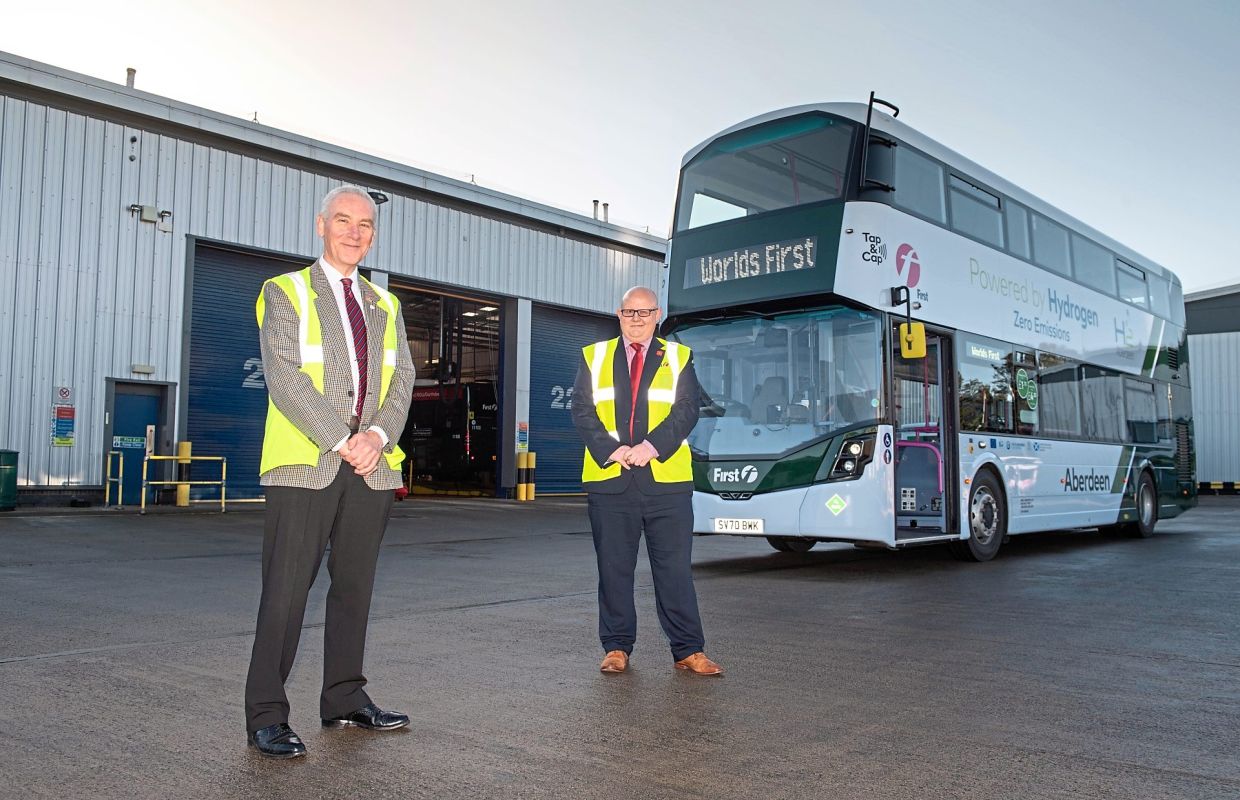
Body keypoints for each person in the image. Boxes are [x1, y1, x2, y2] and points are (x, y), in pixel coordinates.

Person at [244, 185, 416, 758]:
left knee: (354, 589)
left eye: (365, 224)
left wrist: (378, 438)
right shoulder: (285, 291)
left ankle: (344, 697)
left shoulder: (384, 304)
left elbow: (402, 380)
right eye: (343, 220)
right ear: (322, 225)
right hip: (305, 464)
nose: (354, 232)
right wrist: (345, 440)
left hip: (372, 467)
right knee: (287, 592)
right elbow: (285, 376)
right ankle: (266, 714)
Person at [570, 286, 722, 676]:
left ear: (658, 316)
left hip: (666, 481)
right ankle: (617, 647)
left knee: (674, 570)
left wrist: (652, 447)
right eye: (628, 312)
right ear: (618, 315)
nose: (636, 320)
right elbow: (583, 412)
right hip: (611, 479)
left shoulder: (678, 357)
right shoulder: (595, 356)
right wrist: (615, 451)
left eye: (644, 312)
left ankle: (689, 650)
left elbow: (688, 410)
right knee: (613, 569)